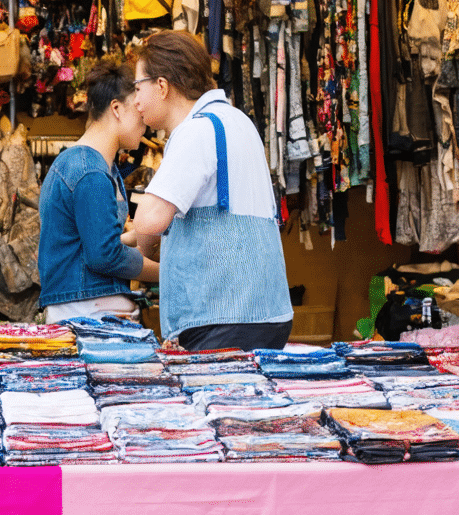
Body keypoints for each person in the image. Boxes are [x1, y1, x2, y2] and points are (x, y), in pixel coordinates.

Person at [130, 30, 294, 352]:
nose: (135, 101)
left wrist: (142, 249)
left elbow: (149, 220)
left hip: (222, 318)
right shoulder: (238, 121)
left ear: (162, 86)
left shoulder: (196, 131)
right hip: (268, 313)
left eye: (138, 87)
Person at [38, 61, 159, 323]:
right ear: (116, 108)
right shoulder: (89, 171)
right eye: (139, 114)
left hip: (85, 308)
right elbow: (105, 256)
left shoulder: (86, 164)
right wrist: (170, 272)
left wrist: (135, 236)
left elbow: (86, 244)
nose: (145, 125)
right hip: (87, 315)